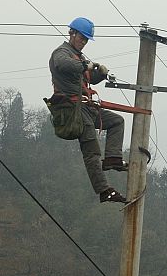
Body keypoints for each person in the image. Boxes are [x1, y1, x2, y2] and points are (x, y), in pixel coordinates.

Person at [49, 17, 127, 203]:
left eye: (85, 40)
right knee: (92, 150)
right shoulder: (61, 52)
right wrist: (85, 65)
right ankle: (104, 191)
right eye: (81, 38)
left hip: (87, 107)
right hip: (73, 110)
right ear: (72, 33)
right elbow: (64, 65)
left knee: (117, 121)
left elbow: (87, 77)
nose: (83, 42)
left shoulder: (79, 57)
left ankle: (113, 158)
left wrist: (100, 73)